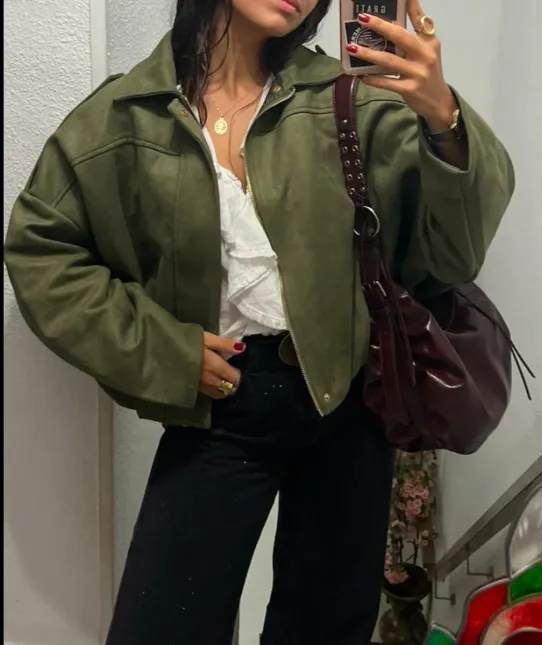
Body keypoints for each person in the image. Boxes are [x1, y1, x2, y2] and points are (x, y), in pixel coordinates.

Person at [4, 0, 514, 642]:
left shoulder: (348, 100)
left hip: (349, 403)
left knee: (326, 629)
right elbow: (43, 252)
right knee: (162, 627)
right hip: (223, 403)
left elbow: (452, 256)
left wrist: (444, 118)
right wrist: (165, 352)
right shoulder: (128, 113)